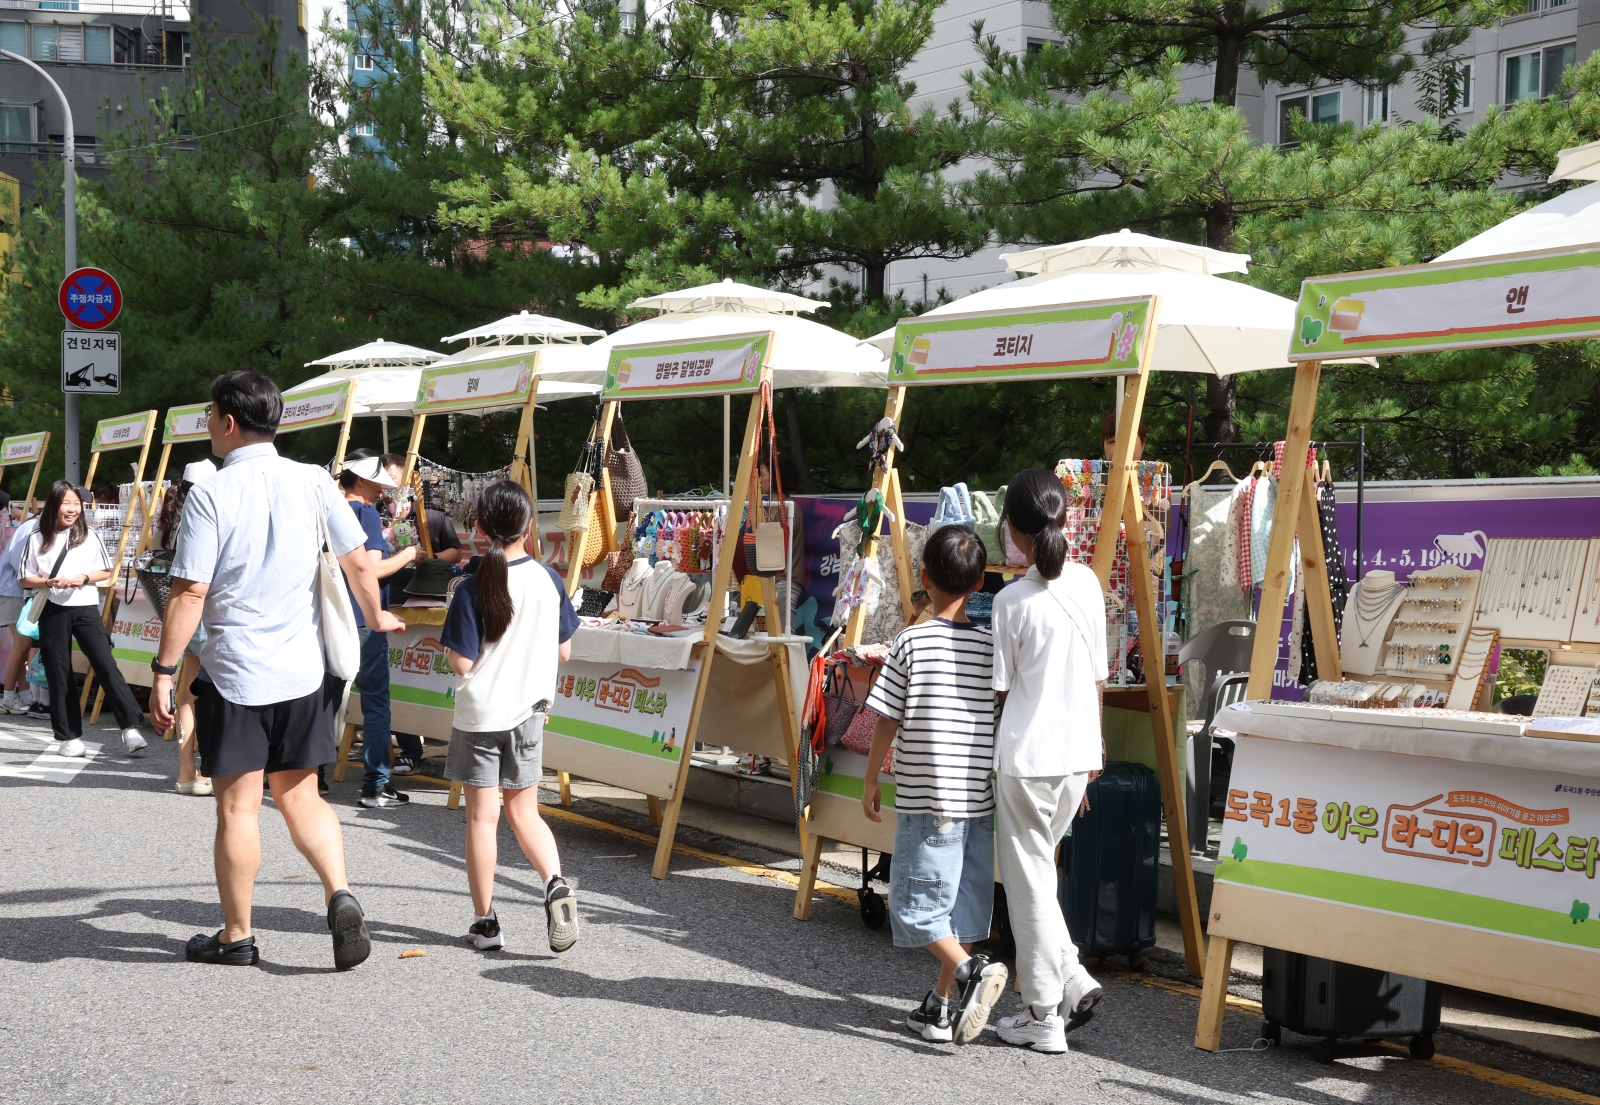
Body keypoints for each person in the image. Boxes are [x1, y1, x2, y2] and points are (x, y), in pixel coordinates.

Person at [149, 370, 403, 970]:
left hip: (236, 673)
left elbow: (189, 593)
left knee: (238, 808)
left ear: (229, 422)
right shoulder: (315, 481)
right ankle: (339, 892)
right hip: (302, 671)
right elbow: (358, 562)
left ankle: (238, 935)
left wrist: (163, 671)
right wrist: (376, 618)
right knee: (303, 796)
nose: (208, 424)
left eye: (210, 414)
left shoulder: (210, 491)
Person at [860, 524, 1007, 1044]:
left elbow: (886, 718)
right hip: (978, 799)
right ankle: (940, 1008)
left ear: (924, 578)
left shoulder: (911, 641)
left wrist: (872, 776)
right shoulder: (992, 647)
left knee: (915, 906)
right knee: (959, 910)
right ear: (980, 583)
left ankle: (970, 975)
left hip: (929, 797)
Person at [989, 467, 1109, 1054]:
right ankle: (1071, 977)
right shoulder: (1089, 584)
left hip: (1027, 756)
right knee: (1039, 875)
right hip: (1077, 754)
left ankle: (1042, 1013)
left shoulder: (1010, 600)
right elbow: (1098, 680)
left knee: (1028, 882)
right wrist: (1094, 754)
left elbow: (1003, 691)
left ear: (1012, 527)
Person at [441, 480, 580, 954]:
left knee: (483, 819)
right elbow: (565, 651)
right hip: (529, 715)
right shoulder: (548, 580)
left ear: (479, 527)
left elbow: (460, 661)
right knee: (525, 811)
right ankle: (555, 882)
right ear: (528, 525)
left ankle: (486, 924)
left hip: (481, 715)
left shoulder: (470, 585)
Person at [21, 481, 150, 758]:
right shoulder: (35, 538)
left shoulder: (90, 535)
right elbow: (24, 578)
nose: (72, 509)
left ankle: (130, 727)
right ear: (54, 504)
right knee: (59, 671)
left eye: (76, 504)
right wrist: (48, 581)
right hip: (52, 608)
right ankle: (68, 737)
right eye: (66, 503)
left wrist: (82, 578)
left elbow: (104, 571)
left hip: (86, 607)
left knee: (105, 663)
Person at [340, 449, 419, 806]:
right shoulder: (365, 514)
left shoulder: (329, 511)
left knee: (327, 700)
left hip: (330, 619)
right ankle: (375, 784)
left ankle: (313, 777)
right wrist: (406, 556)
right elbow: (369, 570)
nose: (381, 489)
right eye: (377, 482)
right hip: (363, 620)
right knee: (375, 704)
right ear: (360, 480)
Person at [154, 460, 218, 796]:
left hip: (181, 617)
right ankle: (208, 771)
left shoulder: (171, 521)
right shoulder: (210, 518)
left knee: (187, 694)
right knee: (212, 695)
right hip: (211, 615)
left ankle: (185, 772)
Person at [0, 506, 41, 715]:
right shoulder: (35, 527)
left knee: (23, 648)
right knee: (21, 646)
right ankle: (8, 697)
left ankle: (24, 696)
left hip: (16, 591)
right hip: (13, 590)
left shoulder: (33, 525)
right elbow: (19, 562)